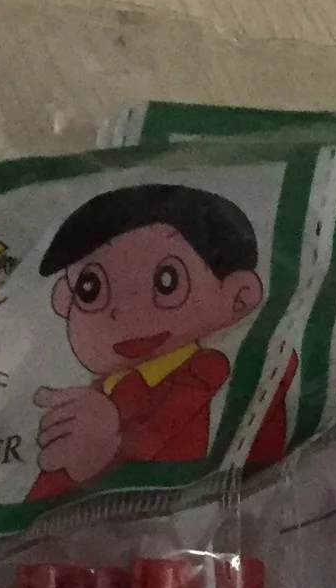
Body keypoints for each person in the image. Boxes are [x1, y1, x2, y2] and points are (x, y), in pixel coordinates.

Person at [30, 183, 264, 499]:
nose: (123, 311)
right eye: (90, 289)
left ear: (239, 295)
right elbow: (43, 494)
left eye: (167, 281)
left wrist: (106, 448)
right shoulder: (97, 395)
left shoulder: (207, 370)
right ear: (64, 301)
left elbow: (167, 450)